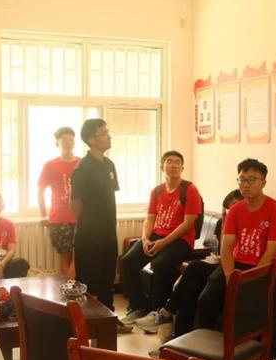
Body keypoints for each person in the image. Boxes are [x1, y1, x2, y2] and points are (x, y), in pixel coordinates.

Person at [194, 158, 276, 360]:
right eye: (242, 179)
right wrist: (229, 276)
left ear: (263, 182)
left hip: (266, 268)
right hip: (236, 265)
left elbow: (271, 252)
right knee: (207, 299)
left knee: (265, 308)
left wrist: (247, 282)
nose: (246, 184)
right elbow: (227, 247)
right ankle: (201, 357)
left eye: (252, 179)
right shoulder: (236, 210)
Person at [119, 150, 202, 333]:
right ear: (162, 167)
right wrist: (145, 239)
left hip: (180, 239)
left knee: (160, 263)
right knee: (128, 261)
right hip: (157, 235)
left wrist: (163, 243)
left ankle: (157, 312)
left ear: (182, 167)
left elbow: (188, 223)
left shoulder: (190, 190)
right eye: (169, 161)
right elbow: (150, 218)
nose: (173, 165)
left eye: (177, 162)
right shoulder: (156, 191)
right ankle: (139, 306)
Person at [154, 189, 243, 339]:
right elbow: (223, 251)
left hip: (234, 269)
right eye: (229, 208)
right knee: (191, 285)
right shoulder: (226, 222)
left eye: (235, 205)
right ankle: (180, 340)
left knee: (194, 271)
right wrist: (225, 221)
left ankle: (168, 312)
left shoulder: (250, 224)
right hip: (223, 265)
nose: (232, 210)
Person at [70, 118, 119, 313]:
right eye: (104, 133)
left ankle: (109, 320)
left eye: (108, 132)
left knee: (108, 280)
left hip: (109, 233)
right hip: (89, 236)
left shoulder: (109, 164)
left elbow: (109, 197)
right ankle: (87, 322)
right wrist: (90, 224)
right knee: (88, 283)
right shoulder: (83, 168)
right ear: (91, 140)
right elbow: (75, 204)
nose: (109, 136)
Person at [38, 126, 80, 279]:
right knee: (65, 257)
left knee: (80, 256)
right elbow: (40, 191)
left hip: (80, 217)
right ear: (57, 143)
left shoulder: (82, 163)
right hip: (59, 218)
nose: (68, 142)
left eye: (71, 139)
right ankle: (69, 290)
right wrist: (43, 215)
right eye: (64, 139)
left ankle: (75, 288)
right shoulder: (50, 165)